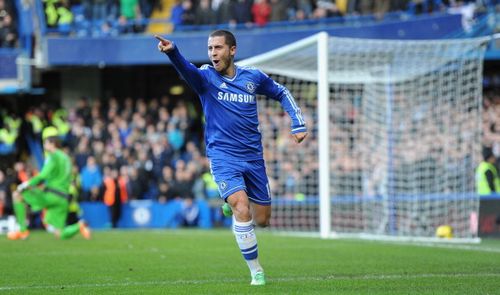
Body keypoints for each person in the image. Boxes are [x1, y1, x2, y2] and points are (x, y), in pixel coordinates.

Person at [155, 30, 308, 285]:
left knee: (263, 220)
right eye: (210, 49)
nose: (213, 53)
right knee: (241, 206)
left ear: (232, 50)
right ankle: (256, 270)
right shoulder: (205, 78)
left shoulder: (252, 77)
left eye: (218, 48)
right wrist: (173, 52)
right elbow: (187, 71)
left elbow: (281, 92)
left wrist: (298, 123)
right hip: (223, 156)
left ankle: (232, 203)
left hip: (254, 158)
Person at [7, 126, 91, 240]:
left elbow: (43, 175)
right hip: (63, 199)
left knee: (17, 195)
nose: (44, 146)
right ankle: (79, 226)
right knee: (59, 234)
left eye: (45, 143)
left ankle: (23, 231)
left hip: (51, 195)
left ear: (52, 143)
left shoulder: (53, 156)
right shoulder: (66, 158)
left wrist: (26, 184)